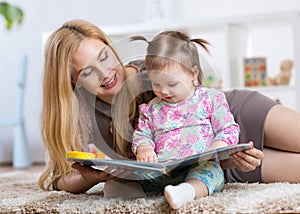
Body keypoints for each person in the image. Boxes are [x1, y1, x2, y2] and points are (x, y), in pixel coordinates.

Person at [39, 19, 300, 197]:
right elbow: (58, 178)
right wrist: (91, 178)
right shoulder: (82, 117)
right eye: (87, 72)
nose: (105, 73)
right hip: (217, 165)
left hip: (236, 113)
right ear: (72, 82)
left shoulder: (150, 70)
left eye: (104, 56)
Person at [130, 31, 240, 209]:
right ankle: (126, 189)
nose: (164, 91)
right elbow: (142, 134)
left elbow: (228, 129)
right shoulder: (151, 108)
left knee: (212, 174)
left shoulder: (210, 99)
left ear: (193, 73)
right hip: (162, 170)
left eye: (172, 84)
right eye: (156, 84)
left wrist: (215, 148)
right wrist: (144, 148)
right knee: (136, 175)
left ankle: (186, 192)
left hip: (198, 167)